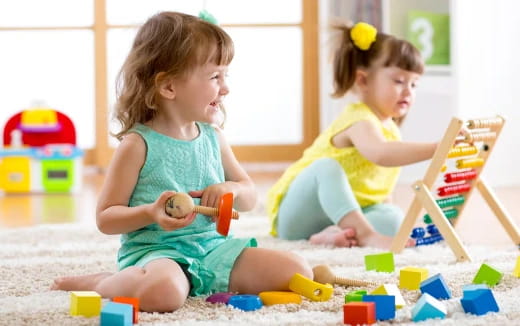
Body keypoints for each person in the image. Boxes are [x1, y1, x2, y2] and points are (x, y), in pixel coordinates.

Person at [51, 11, 312, 313]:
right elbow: (106, 218)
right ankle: (103, 282)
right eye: (215, 77)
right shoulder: (137, 145)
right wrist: (151, 212)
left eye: (226, 75)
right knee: (163, 295)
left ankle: (197, 280)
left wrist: (232, 190)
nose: (225, 88)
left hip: (212, 249)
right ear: (169, 87)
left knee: (297, 271)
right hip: (159, 253)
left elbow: (250, 196)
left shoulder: (214, 138)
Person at [267, 22, 437, 249]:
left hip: (342, 217)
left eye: (414, 84)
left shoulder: (392, 130)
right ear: (363, 80)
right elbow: (380, 153)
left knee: (394, 217)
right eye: (399, 81)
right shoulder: (359, 119)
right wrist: (438, 148)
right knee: (325, 167)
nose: (408, 91)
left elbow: (381, 189)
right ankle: (362, 234)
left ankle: (333, 236)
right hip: (299, 215)